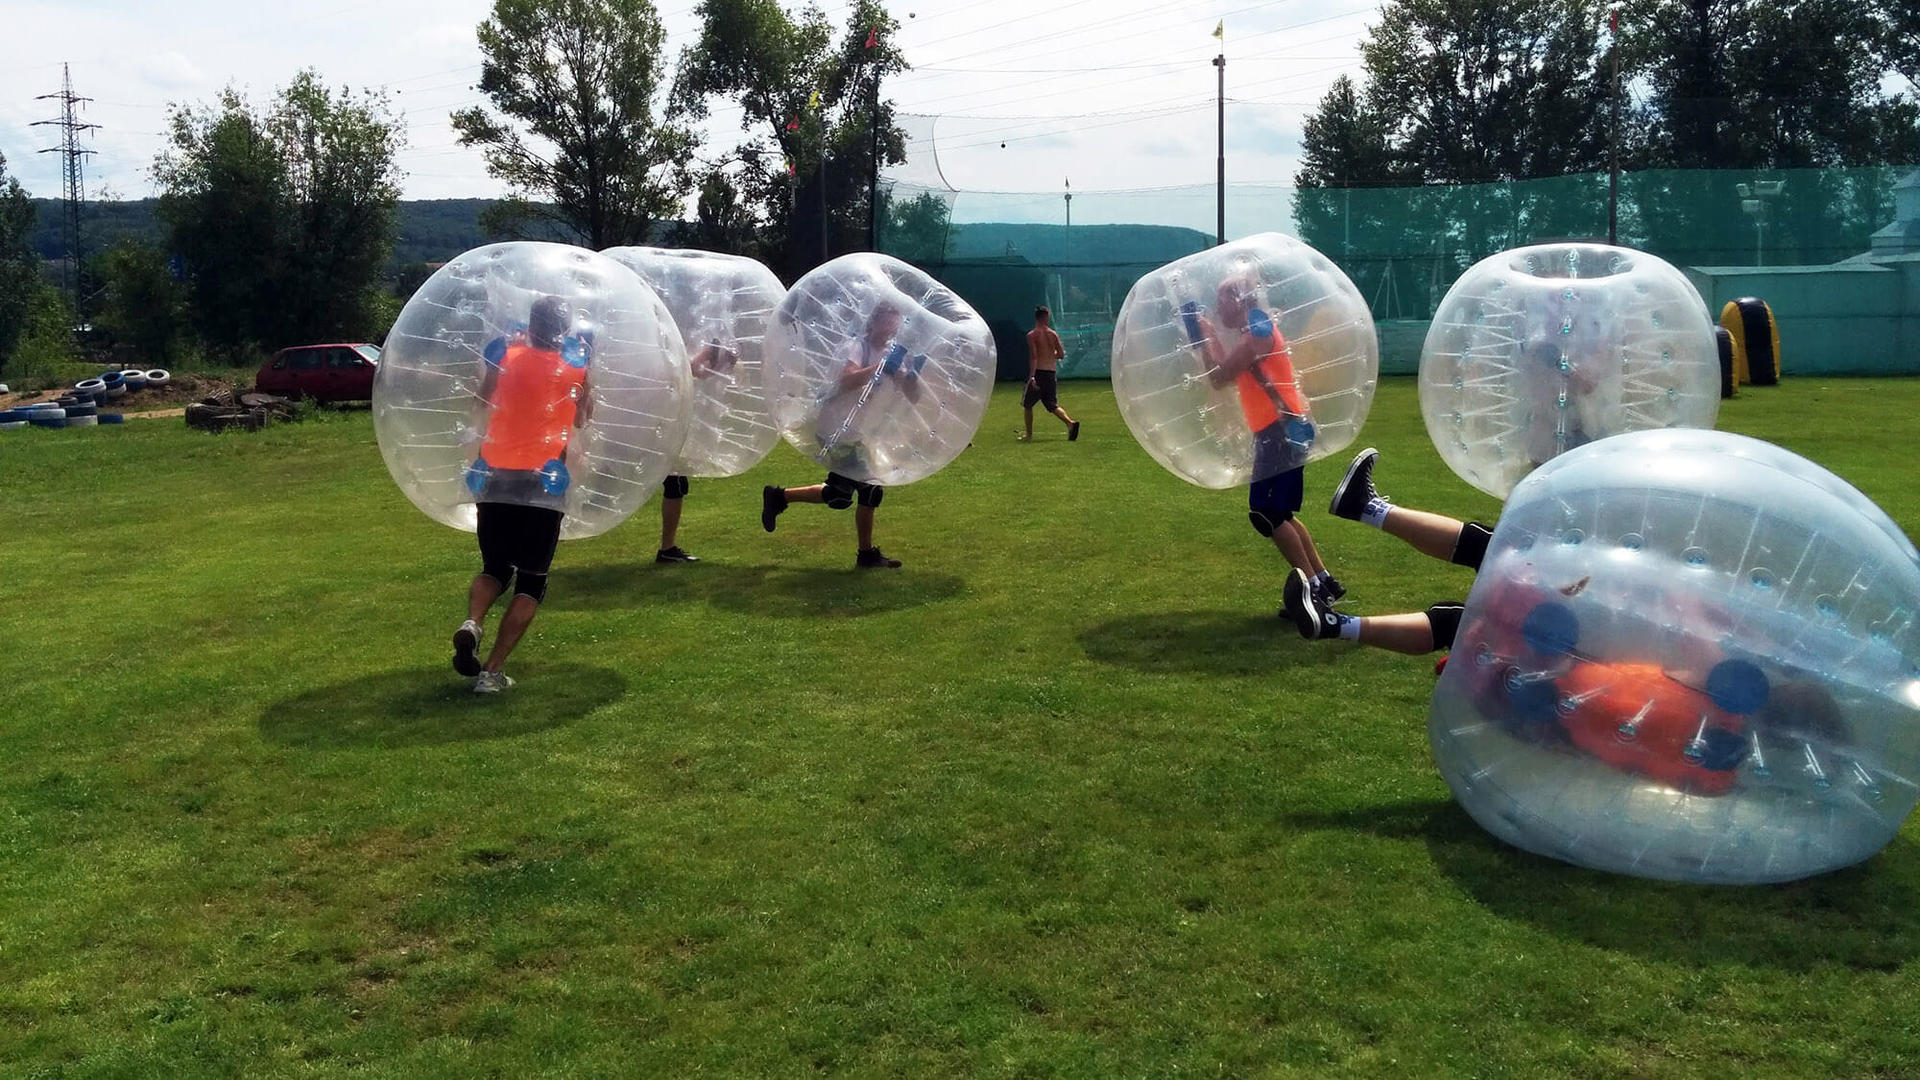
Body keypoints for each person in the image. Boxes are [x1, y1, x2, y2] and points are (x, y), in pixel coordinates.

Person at [1289, 447, 1769, 795]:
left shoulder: (1715, 705)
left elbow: (1676, 638)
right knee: (1458, 620)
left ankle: (1367, 510)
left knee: (1497, 554)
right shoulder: (1710, 758)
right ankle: (1335, 623)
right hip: (1539, 703)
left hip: (1545, 685)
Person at [451, 295, 589, 693]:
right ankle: (491, 672)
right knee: (531, 581)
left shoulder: (506, 357)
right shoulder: (575, 366)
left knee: (495, 567)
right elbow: (583, 419)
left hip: (494, 474)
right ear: (563, 329)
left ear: (531, 325)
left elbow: (479, 403)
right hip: (544, 480)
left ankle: (472, 622)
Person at [1190, 277, 1344, 612]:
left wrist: (1206, 337)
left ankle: (1314, 592)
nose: (1218, 308)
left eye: (1222, 299)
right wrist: (1209, 338)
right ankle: (1323, 582)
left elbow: (1218, 377)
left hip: (1280, 430)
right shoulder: (1255, 331)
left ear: (1240, 300)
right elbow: (1228, 373)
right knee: (1279, 513)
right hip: (1282, 428)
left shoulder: (1256, 335)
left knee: (1265, 512)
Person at [760, 301, 920, 569]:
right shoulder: (857, 347)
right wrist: (878, 368)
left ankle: (779, 497)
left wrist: (910, 377)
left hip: (861, 434)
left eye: (894, 324)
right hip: (836, 430)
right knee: (864, 490)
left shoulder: (895, 355)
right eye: (886, 322)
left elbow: (913, 397)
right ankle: (865, 554)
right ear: (873, 322)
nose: (890, 329)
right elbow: (845, 380)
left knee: (844, 494)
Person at [654, 341, 740, 565]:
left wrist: (722, 361)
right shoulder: (671, 341)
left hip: (670, 418)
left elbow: (700, 375)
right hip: (663, 419)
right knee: (673, 482)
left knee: (676, 484)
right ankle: (667, 549)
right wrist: (707, 353)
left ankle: (668, 548)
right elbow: (687, 371)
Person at [1021, 306, 1079, 441]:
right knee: (1052, 404)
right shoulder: (1053, 334)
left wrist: (1032, 376)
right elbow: (1061, 354)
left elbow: (1034, 356)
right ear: (1046, 317)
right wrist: (1049, 355)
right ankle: (1070, 423)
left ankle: (1029, 435)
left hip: (1039, 372)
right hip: (1051, 373)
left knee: (1027, 405)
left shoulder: (1032, 335)